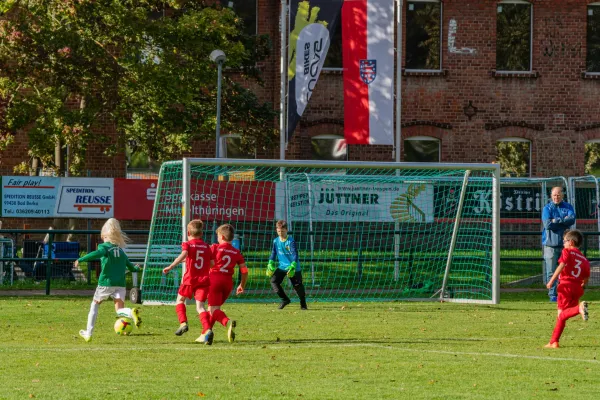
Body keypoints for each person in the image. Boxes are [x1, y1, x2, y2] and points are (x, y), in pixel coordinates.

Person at [75, 218, 142, 342]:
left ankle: (88, 333)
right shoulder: (121, 252)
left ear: (105, 236)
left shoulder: (105, 248)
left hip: (106, 283)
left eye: (103, 237)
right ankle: (131, 311)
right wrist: (136, 268)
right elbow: (131, 268)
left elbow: (96, 253)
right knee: (120, 310)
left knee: (94, 305)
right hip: (120, 284)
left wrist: (81, 259)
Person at [163, 219, 215, 345]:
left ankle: (183, 323)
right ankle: (207, 329)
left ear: (188, 233)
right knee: (200, 307)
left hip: (189, 279)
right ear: (201, 234)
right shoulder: (207, 247)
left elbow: (184, 254)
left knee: (180, 300)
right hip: (203, 280)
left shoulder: (187, 244)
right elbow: (212, 264)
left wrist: (171, 266)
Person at [544, 229, 590, 349]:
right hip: (577, 288)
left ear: (571, 242)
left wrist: (551, 281)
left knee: (561, 314)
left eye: (564, 241)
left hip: (566, 286)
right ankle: (554, 342)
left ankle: (579, 308)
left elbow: (561, 265)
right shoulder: (584, 259)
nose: (563, 243)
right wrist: (583, 286)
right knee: (564, 315)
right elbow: (586, 277)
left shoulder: (567, 251)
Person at [208, 224, 248, 343]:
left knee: (213, 310)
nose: (217, 239)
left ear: (222, 237)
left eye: (218, 237)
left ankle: (227, 322)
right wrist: (242, 285)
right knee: (215, 309)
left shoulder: (214, 248)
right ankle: (206, 333)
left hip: (214, 280)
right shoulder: (236, 252)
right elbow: (244, 271)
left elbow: (201, 258)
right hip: (227, 283)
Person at [542, 187, 575, 302]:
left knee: (566, 271)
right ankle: (552, 295)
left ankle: (564, 294)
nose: (556, 197)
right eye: (554, 195)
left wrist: (556, 220)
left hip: (565, 245)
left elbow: (572, 219)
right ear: (551, 196)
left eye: (558, 195)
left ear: (562, 195)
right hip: (550, 245)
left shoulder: (568, 207)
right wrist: (563, 221)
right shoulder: (547, 208)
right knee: (551, 271)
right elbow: (547, 224)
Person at [266, 220, 307, 310]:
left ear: (287, 230)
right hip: (282, 266)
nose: (280, 233)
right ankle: (285, 300)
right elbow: (273, 252)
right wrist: (270, 262)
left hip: (293, 267)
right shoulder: (276, 241)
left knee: (297, 286)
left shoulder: (291, 241)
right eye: (279, 231)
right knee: (274, 281)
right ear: (276, 230)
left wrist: (293, 266)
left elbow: (295, 255)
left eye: (283, 231)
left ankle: (303, 304)